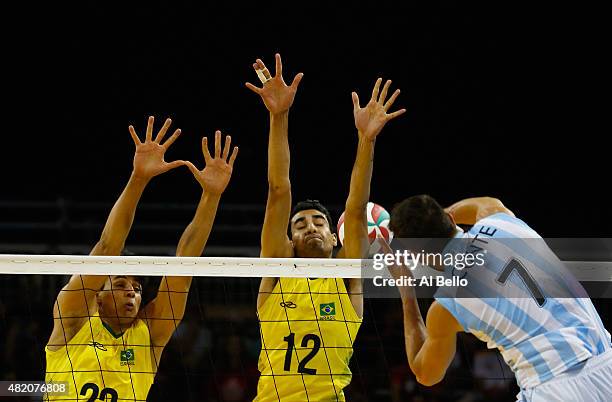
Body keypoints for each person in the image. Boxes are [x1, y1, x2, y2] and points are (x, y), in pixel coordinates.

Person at [246, 54, 405, 401]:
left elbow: (356, 207)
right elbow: (278, 189)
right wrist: (279, 116)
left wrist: (367, 140)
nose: (310, 227)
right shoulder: (276, 268)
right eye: (300, 224)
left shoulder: (348, 274)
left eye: (319, 222)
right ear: (289, 240)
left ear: (336, 237)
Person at [44, 116, 238, 401]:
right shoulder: (73, 319)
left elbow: (183, 269)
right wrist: (139, 177)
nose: (132, 293)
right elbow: (108, 247)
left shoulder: (149, 335)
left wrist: (211, 196)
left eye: (136, 288)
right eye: (121, 284)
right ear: (98, 296)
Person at [386, 195, 612, 401]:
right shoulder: (501, 221)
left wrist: (406, 289)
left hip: (553, 389)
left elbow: (426, 374)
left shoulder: (447, 303)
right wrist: (429, 220)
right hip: (605, 363)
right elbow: (482, 203)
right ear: (449, 218)